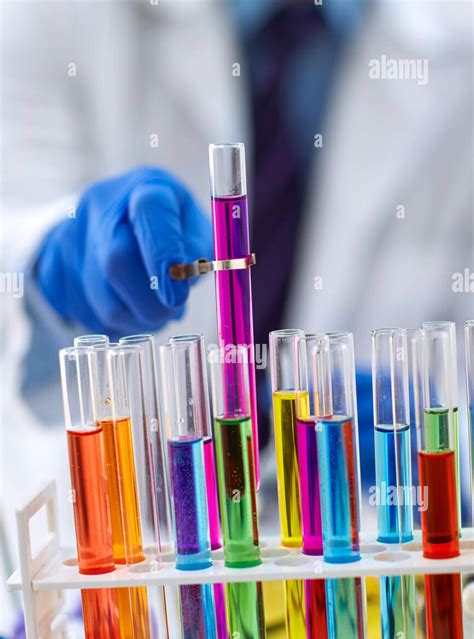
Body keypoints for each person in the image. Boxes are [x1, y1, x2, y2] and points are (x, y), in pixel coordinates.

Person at [1, 0, 472, 536]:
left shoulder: (458, 46)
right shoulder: (56, 15)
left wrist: (456, 450)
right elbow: (9, 228)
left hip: (365, 565)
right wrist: (53, 270)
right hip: (119, 558)